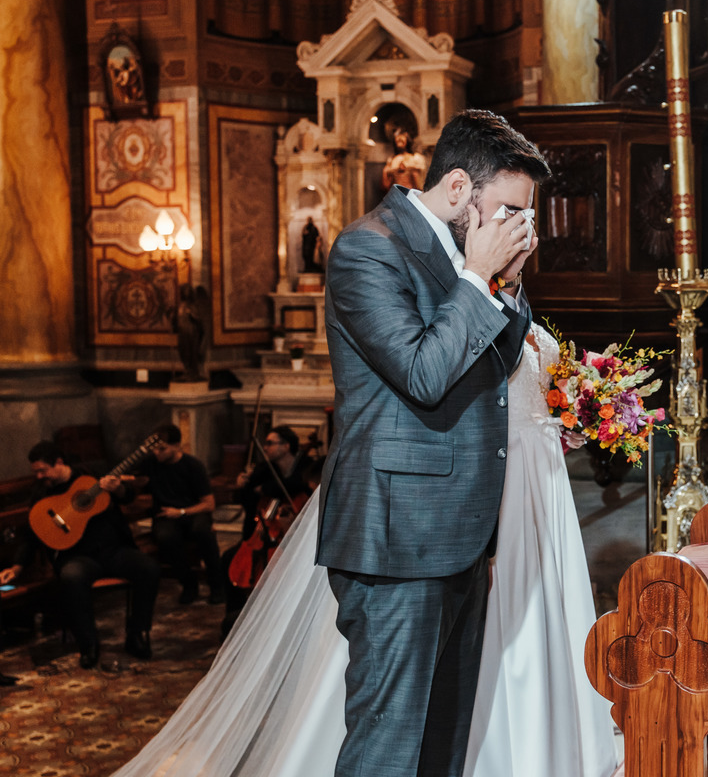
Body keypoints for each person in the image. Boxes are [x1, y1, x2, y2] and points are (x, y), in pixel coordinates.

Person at [108, 323, 618, 777]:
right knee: (452, 647)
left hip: (539, 485)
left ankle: (546, 742)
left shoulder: (523, 307)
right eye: (512, 212)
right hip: (490, 481)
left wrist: (569, 417)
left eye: (528, 218)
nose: (525, 232)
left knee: (532, 616)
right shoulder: (450, 301)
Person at [318, 108, 550, 777]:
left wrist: (503, 280)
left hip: (463, 540)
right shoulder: (368, 249)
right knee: (388, 750)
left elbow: (501, 361)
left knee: (444, 745)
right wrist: (479, 278)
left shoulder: (468, 257)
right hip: (397, 541)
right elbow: (423, 375)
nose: (519, 228)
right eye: (508, 211)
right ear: (457, 190)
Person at [0, 441, 159, 669]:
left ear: (59, 463)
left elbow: (127, 497)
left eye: (43, 470)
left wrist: (119, 489)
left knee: (149, 568)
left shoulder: (91, 475)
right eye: (35, 471)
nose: (39, 475)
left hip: (112, 550)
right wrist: (17, 567)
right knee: (72, 578)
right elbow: (33, 531)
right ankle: (88, 645)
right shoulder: (42, 492)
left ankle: (137, 634)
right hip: (76, 556)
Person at [220, 425, 312, 637]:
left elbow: (296, 485)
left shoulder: (305, 466)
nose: (266, 447)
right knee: (228, 558)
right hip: (263, 532)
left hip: (292, 534)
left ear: (286, 446)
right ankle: (237, 614)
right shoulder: (264, 469)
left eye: (270, 443)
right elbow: (249, 502)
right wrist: (243, 485)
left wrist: (265, 488)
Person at [135, 424, 224, 607]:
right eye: (154, 448)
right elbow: (133, 477)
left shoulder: (193, 466)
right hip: (165, 514)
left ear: (177, 446)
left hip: (193, 511)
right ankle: (188, 584)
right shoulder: (150, 463)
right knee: (165, 537)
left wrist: (182, 512)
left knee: (203, 532)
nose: (157, 453)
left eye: (162, 449)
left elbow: (209, 504)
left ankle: (217, 586)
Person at [381, 115, 428, 191]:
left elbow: (419, 185)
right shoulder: (392, 160)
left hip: (411, 196)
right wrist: (385, 172)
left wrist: (411, 171)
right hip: (396, 197)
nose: (399, 139)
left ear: (407, 139)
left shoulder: (415, 158)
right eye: (397, 137)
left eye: (402, 136)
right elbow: (386, 185)